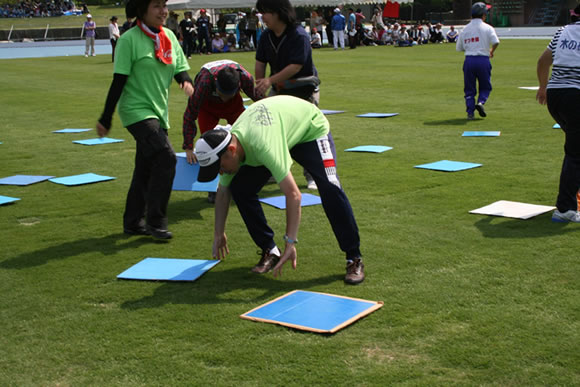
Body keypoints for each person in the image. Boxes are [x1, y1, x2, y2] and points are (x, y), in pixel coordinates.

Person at [193, 96, 365, 284]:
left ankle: (354, 258)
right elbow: (223, 192)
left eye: (219, 167)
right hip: (278, 130)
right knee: (241, 188)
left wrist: (290, 242)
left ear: (232, 150)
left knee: (330, 188)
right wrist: (219, 233)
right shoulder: (229, 148)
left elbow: (293, 194)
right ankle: (270, 250)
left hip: (309, 129)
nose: (220, 172)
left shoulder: (263, 145)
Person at [96, 0, 193, 240]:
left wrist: (185, 81)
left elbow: (179, 67)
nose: (163, 11)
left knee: (145, 168)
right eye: (156, 6)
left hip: (158, 112)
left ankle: (132, 222)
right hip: (136, 112)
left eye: (164, 5)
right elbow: (118, 81)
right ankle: (156, 221)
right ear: (142, 11)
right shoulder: (128, 40)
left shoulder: (168, 35)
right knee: (166, 158)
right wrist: (106, 117)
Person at [254, 0, 336, 190]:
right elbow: (260, 62)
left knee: (307, 135)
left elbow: (296, 66)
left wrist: (269, 81)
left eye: (264, 12)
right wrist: (260, 86)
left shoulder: (298, 35)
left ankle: (313, 176)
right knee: (274, 134)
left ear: (277, 12)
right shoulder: (266, 36)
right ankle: (275, 172)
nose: (262, 17)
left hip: (304, 90)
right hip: (280, 91)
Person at [182, 60, 260, 202]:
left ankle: (245, 178)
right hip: (208, 108)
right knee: (209, 145)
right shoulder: (204, 84)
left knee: (244, 141)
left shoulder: (245, 78)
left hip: (234, 107)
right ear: (215, 84)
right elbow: (190, 114)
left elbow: (260, 100)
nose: (224, 99)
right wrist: (188, 146)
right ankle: (213, 187)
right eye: (221, 93)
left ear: (238, 87)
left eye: (228, 94)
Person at [536, 5, 580, 223]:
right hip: (576, 96)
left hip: (556, 96)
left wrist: (543, 87)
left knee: (576, 149)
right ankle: (565, 209)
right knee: (575, 153)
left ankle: (570, 200)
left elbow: (543, 61)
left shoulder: (563, 31)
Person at [456, 2, 499, 120]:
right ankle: (480, 102)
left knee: (469, 88)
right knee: (485, 86)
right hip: (483, 59)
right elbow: (496, 42)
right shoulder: (488, 28)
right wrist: (491, 50)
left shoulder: (465, 29)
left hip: (469, 60)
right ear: (484, 15)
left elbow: (459, 48)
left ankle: (470, 112)